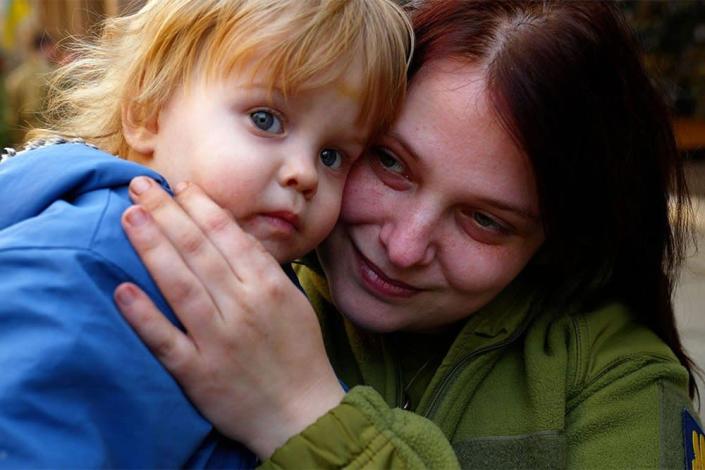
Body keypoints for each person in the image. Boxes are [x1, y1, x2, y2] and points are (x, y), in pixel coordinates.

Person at [114, 0, 704, 468]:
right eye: (391, 164)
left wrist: (307, 416)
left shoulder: (617, 382)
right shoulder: (169, 274)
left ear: (556, 242)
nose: (403, 248)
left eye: (485, 220)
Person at [0, 0, 411, 467]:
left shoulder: (263, 288)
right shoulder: (97, 255)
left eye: (333, 155)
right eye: (265, 120)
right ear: (147, 112)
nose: (305, 174)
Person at [4, 32, 57, 147]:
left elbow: (12, 118)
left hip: (23, 139)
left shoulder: (15, 76)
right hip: (45, 137)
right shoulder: (50, 73)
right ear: (47, 47)